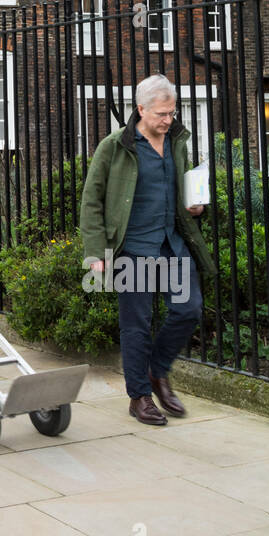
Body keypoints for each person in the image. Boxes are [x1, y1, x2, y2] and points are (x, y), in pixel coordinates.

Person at [80, 74, 215, 426]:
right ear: (140, 109)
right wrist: (95, 254)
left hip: (172, 243)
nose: (168, 120)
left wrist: (194, 206)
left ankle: (158, 371)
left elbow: (181, 187)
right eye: (161, 114)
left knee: (189, 309)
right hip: (133, 248)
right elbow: (91, 200)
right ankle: (139, 395)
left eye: (171, 113)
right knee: (136, 325)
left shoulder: (176, 143)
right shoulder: (114, 146)